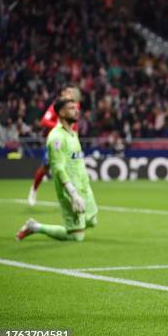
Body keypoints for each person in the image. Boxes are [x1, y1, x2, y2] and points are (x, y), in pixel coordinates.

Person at [17, 97, 98, 242]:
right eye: (72, 108)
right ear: (61, 112)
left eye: (76, 107)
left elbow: (77, 162)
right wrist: (73, 194)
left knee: (92, 220)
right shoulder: (56, 137)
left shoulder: (73, 134)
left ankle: (75, 222)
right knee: (77, 236)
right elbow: (59, 169)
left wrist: (85, 185)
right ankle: (34, 227)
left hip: (84, 187)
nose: (77, 111)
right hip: (70, 190)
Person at [28, 84, 80, 206]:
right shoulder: (55, 107)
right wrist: (60, 127)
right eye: (67, 92)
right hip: (57, 141)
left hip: (70, 142)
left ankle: (73, 197)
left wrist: (75, 137)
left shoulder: (75, 106)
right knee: (45, 167)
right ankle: (34, 190)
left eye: (71, 92)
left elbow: (75, 125)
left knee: (71, 169)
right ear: (62, 94)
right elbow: (44, 121)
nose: (70, 94)